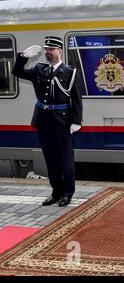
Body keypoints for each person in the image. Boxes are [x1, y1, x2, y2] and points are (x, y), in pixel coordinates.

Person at [12, 36, 83, 207]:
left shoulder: (70, 72)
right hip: (43, 121)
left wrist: (76, 121)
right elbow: (17, 72)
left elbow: (77, 98)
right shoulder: (39, 69)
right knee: (50, 159)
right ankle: (56, 192)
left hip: (62, 121)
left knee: (65, 159)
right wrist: (23, 57)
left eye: (51, 49)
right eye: (46, 50)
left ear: (59, 51)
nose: (47, 52)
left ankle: (67, 193)